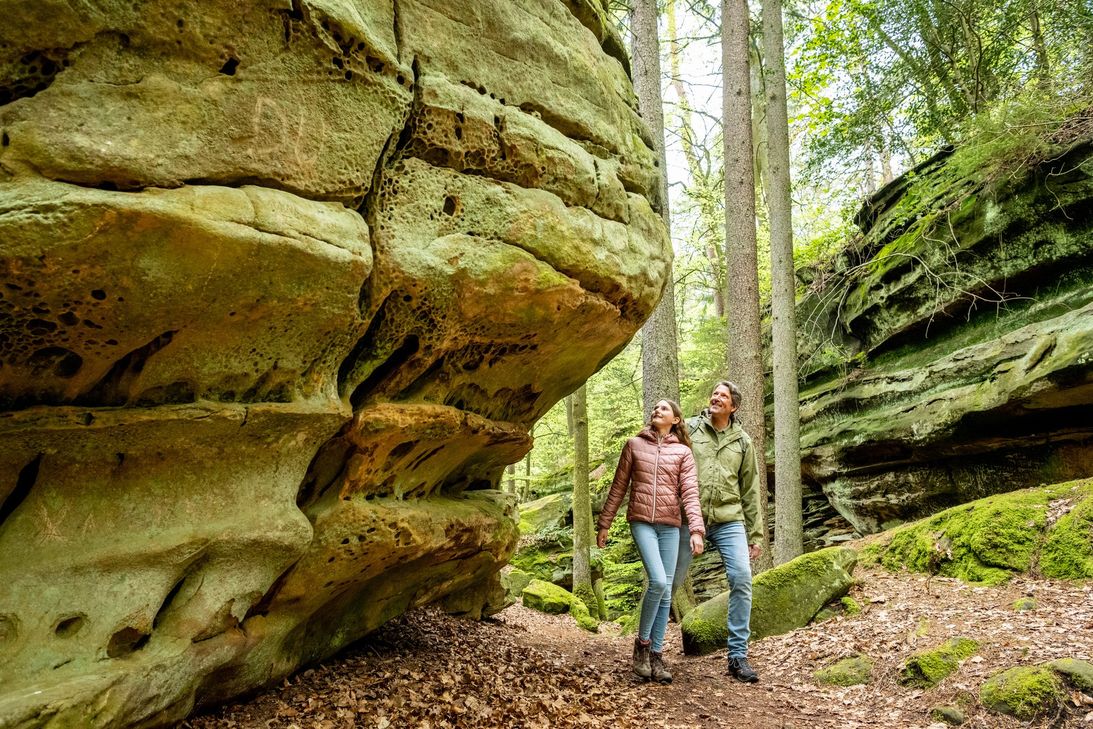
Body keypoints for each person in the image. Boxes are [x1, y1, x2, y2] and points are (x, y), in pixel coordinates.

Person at [597, 399, 705, 684]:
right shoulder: (634, 445)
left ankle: (657, 656)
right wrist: (604, 524)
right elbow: (619, 487)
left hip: (671, 525)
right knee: (658, 581)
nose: (657, 411)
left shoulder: (683, 452)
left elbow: (690, 493)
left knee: (667, 590)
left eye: (664, 409)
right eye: (655, 408)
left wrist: (696, 529)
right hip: (641, 521)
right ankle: (642, 646)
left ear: (677, 420)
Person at [674, 381, 762, 683]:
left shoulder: (742, 442)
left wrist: (756, 535)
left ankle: (738, 656)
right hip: (689, 517)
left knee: (742, 578)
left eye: (723, 396)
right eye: (714, 393)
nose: (716, 397)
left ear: (733, 407)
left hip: (729, 520)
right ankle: (652, 649)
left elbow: (750, 490)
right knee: (669, 581)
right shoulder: (688, 429)